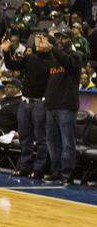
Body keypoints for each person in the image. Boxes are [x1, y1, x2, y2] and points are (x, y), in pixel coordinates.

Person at [3, 34, 53, 179]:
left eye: (41, 41)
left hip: (40, 102)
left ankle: (39, 169)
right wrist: (6, 52)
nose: (37, 43)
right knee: (25, 137)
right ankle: (25, 167)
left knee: (40, 138)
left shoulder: (53, 62)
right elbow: (12, 65)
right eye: (37, 41)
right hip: (25, 102)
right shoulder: (30, 58)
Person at [43, 31, 81, 184]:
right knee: (52, 142)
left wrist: (52, 49)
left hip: (67, 105)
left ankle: (67, 173)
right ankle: (56, 171)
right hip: (51, 105)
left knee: (67, 142)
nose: (60, 40)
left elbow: (68, 63)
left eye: (63, 38)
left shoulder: (76, 56)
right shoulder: (53, 58)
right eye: (58, 38)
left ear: (70, 40)